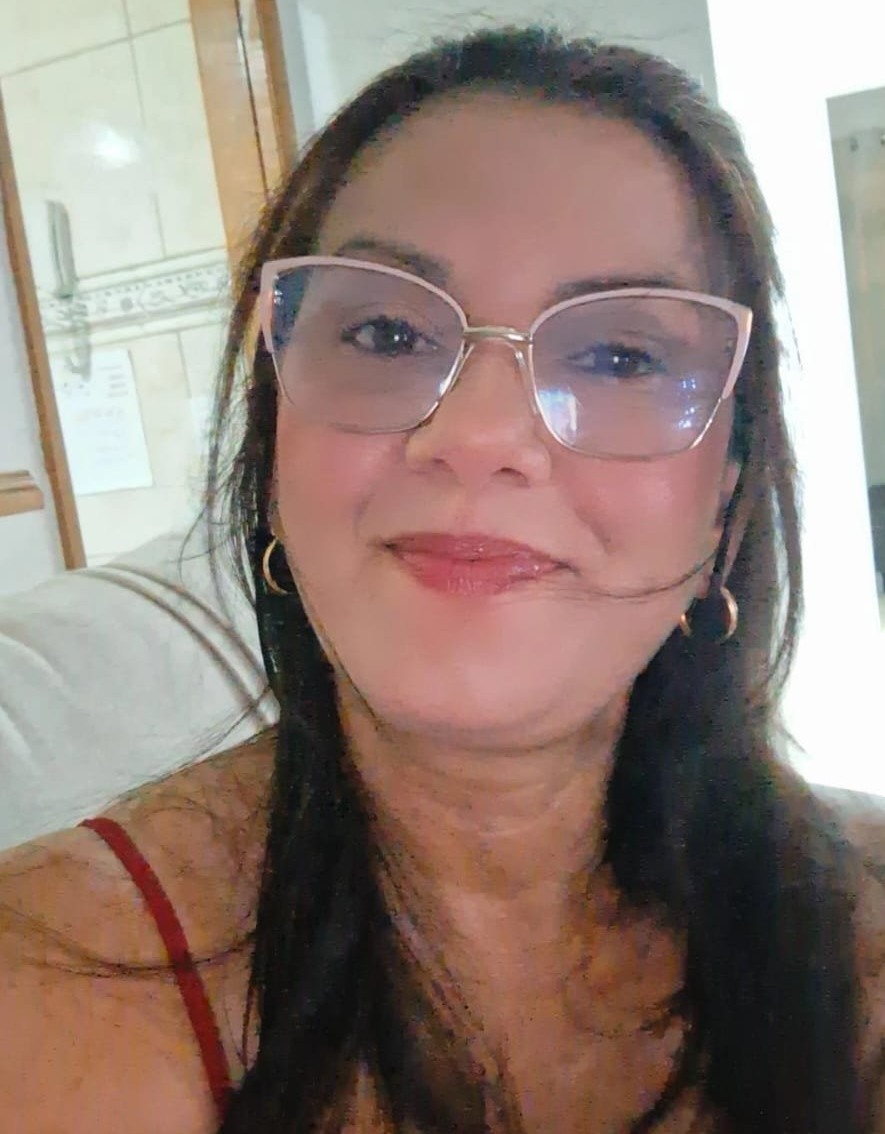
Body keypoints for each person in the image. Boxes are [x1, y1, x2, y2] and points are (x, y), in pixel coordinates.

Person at [1, 23, 884, 1134]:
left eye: (620, 355)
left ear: (727, 498)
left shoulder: (866, 925)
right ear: (273, 448)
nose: (476, 435)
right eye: (384, 332)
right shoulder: (45, 981)